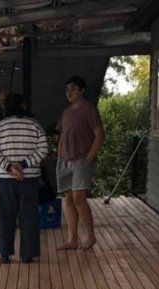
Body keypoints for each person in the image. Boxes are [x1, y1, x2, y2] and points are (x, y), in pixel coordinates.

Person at [0, 93, 48, 264]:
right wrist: (23, 164)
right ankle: (28, 254)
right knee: (29, 215)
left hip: (5, 178)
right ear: (22, 106)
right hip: (29, 178)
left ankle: (4, 254)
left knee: (5, 215)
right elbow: (43, 149)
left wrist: (9, 167)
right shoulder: (35, 126)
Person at [55, 75, 104, 250]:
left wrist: (88, 159)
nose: (69, 92)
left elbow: (99, 135)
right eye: (67, 89)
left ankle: (91, 237)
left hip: (81, 161)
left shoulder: (89, 109)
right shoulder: (66, 112)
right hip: (64, 160)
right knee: (68, 199)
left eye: (73, 89)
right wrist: (59, 155)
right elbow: (62, 135)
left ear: (82, 90)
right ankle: (72, 239)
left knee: (79, 198)